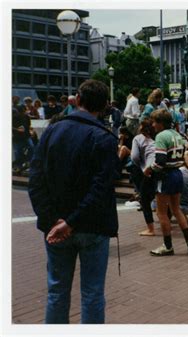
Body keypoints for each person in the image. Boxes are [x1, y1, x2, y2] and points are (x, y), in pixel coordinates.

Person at [28, 79, 120, 324]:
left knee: (57, 291)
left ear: (77, 100)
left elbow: (35, 180)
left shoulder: (51, 131)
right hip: (92, 226)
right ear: (105, 106)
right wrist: (71, 222)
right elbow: (101, 189)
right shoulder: (105, 137)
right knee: (92, 294)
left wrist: (51, 220)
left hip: (55, 224)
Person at [146, 109, 188, 256]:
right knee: (176, 209)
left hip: (166, 175)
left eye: (155, 122)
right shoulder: (178, 134)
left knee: (161, 212)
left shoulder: (161, 136)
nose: (153, 125)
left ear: (161, 123)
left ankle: (167, 246)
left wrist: (150, 169)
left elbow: (160, 161)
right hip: (178, 173)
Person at [131, 118, 158, 236]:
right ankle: (166, 222)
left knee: (144, 200)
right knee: (161, 197)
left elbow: (134, 157)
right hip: (159, 168)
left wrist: (141, 165)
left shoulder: (137, 138)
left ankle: (150, 229)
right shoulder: (156, 138)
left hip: (148, 170)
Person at [12, 106, 33, 174]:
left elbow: (29, 126)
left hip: (26, 136)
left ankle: (27, 162)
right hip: (17, 137)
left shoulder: (26, 117)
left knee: (32, 147)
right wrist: (17, 129)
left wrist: (31, 131)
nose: (25, 112)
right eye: (24, 111)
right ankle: (19, 166)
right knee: (18, 152)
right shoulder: (14, 117)